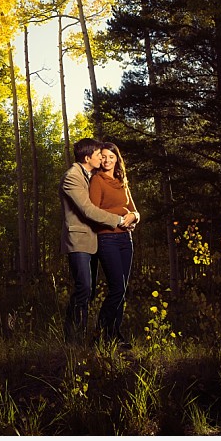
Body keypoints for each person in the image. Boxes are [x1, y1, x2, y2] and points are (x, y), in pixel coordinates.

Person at [60, 137, 131, 344]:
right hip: (79, 240)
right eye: (99, 155)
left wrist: (131, 215)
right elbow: (88, 209)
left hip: (92, 240)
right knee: (84, 288)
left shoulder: (89, 175)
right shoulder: (72, 177)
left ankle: (87, 337)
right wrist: (119, 219)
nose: (102, 158)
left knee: (89, 291)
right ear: (87, 157)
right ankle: (73, 340)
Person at [89, 142, 139, 348]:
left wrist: (134, 216)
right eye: (104, 156)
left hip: (125, 240)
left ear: (117, 159)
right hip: (107, 238)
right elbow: (93, 212)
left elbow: (134, 210)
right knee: (117, 288)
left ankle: (114, 335)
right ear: (100, 159)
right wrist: (121, 216)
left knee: (123, 289)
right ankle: (101, 333)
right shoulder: (97, 180)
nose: (108, 160)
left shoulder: (121, 181)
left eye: (111, 156)